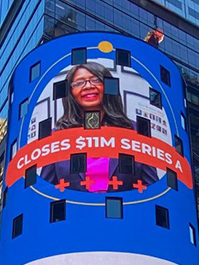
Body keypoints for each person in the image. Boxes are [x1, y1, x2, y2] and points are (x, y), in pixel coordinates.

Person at [43, 62, 158, 193]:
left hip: (126, 211)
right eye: (79, 83)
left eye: (96, 80)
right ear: (71, 93)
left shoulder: (135, 131)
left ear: (108, 87)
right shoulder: (56, 136)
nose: (88, 86)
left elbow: (152, 187)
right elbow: (45, 191)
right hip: (73, 212)